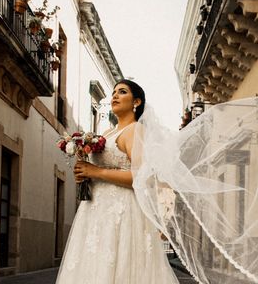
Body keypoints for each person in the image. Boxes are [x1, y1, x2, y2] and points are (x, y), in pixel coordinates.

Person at [55, 79, 179, 283]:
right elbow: (96, 170)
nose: (114, 96)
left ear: (136, 102)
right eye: (113, 92)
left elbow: (139, 177)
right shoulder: (106, 134)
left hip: (121, 212)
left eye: (122, 92)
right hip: (96, 211)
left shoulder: (135, 130)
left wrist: (95, 172)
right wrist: (84, 173)